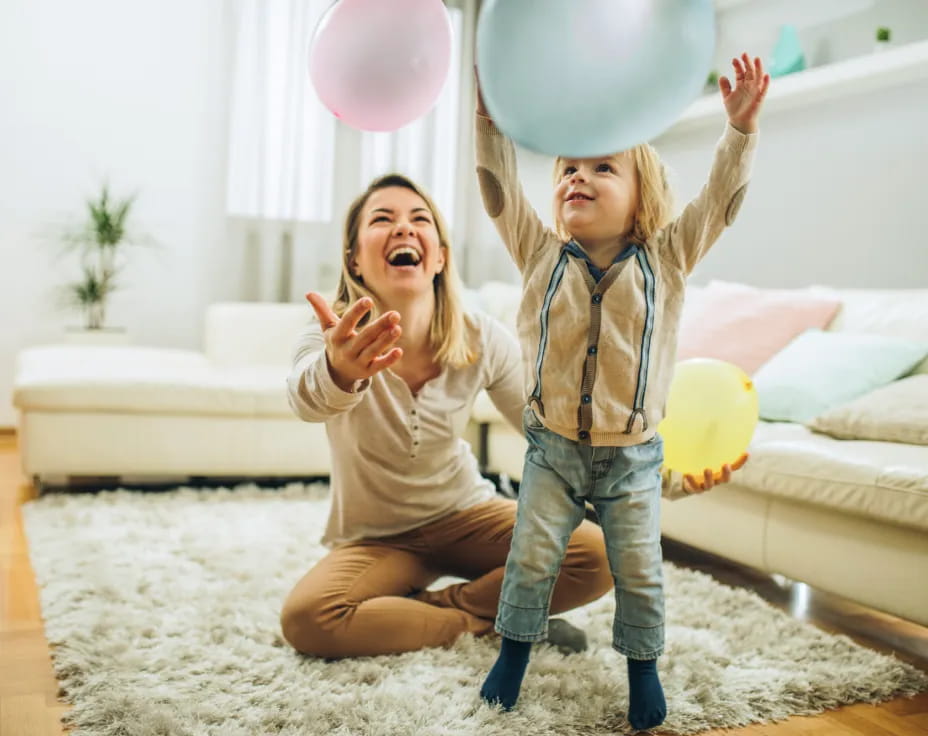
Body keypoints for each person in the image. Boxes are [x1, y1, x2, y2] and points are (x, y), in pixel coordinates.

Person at [280, 172, 746, 661]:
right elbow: (306, 401)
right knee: (310, 620)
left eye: (420, 220)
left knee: (597, 554)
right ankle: (491, 624)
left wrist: (661, 476)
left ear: (438, 256)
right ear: (354, 257)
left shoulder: (481, 336)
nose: (403, 228)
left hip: (466, 515)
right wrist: (340, 370)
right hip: (375, 538)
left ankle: (436, 609)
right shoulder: (330, 335)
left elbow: (553, 430)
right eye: (382, 219)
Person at [475, 53, 770, 731]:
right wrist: (488, 119)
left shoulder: (666, 259)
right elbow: (496, 188)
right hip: (551, 449)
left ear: (645, 197)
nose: (578, 175)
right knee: (531, 558)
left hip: (634, 456)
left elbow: (721, 202)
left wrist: (741, 131)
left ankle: (643, 669)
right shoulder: (538, 253)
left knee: (641, 572)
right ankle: (513, 655)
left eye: (603, 167)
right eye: (569, 169)